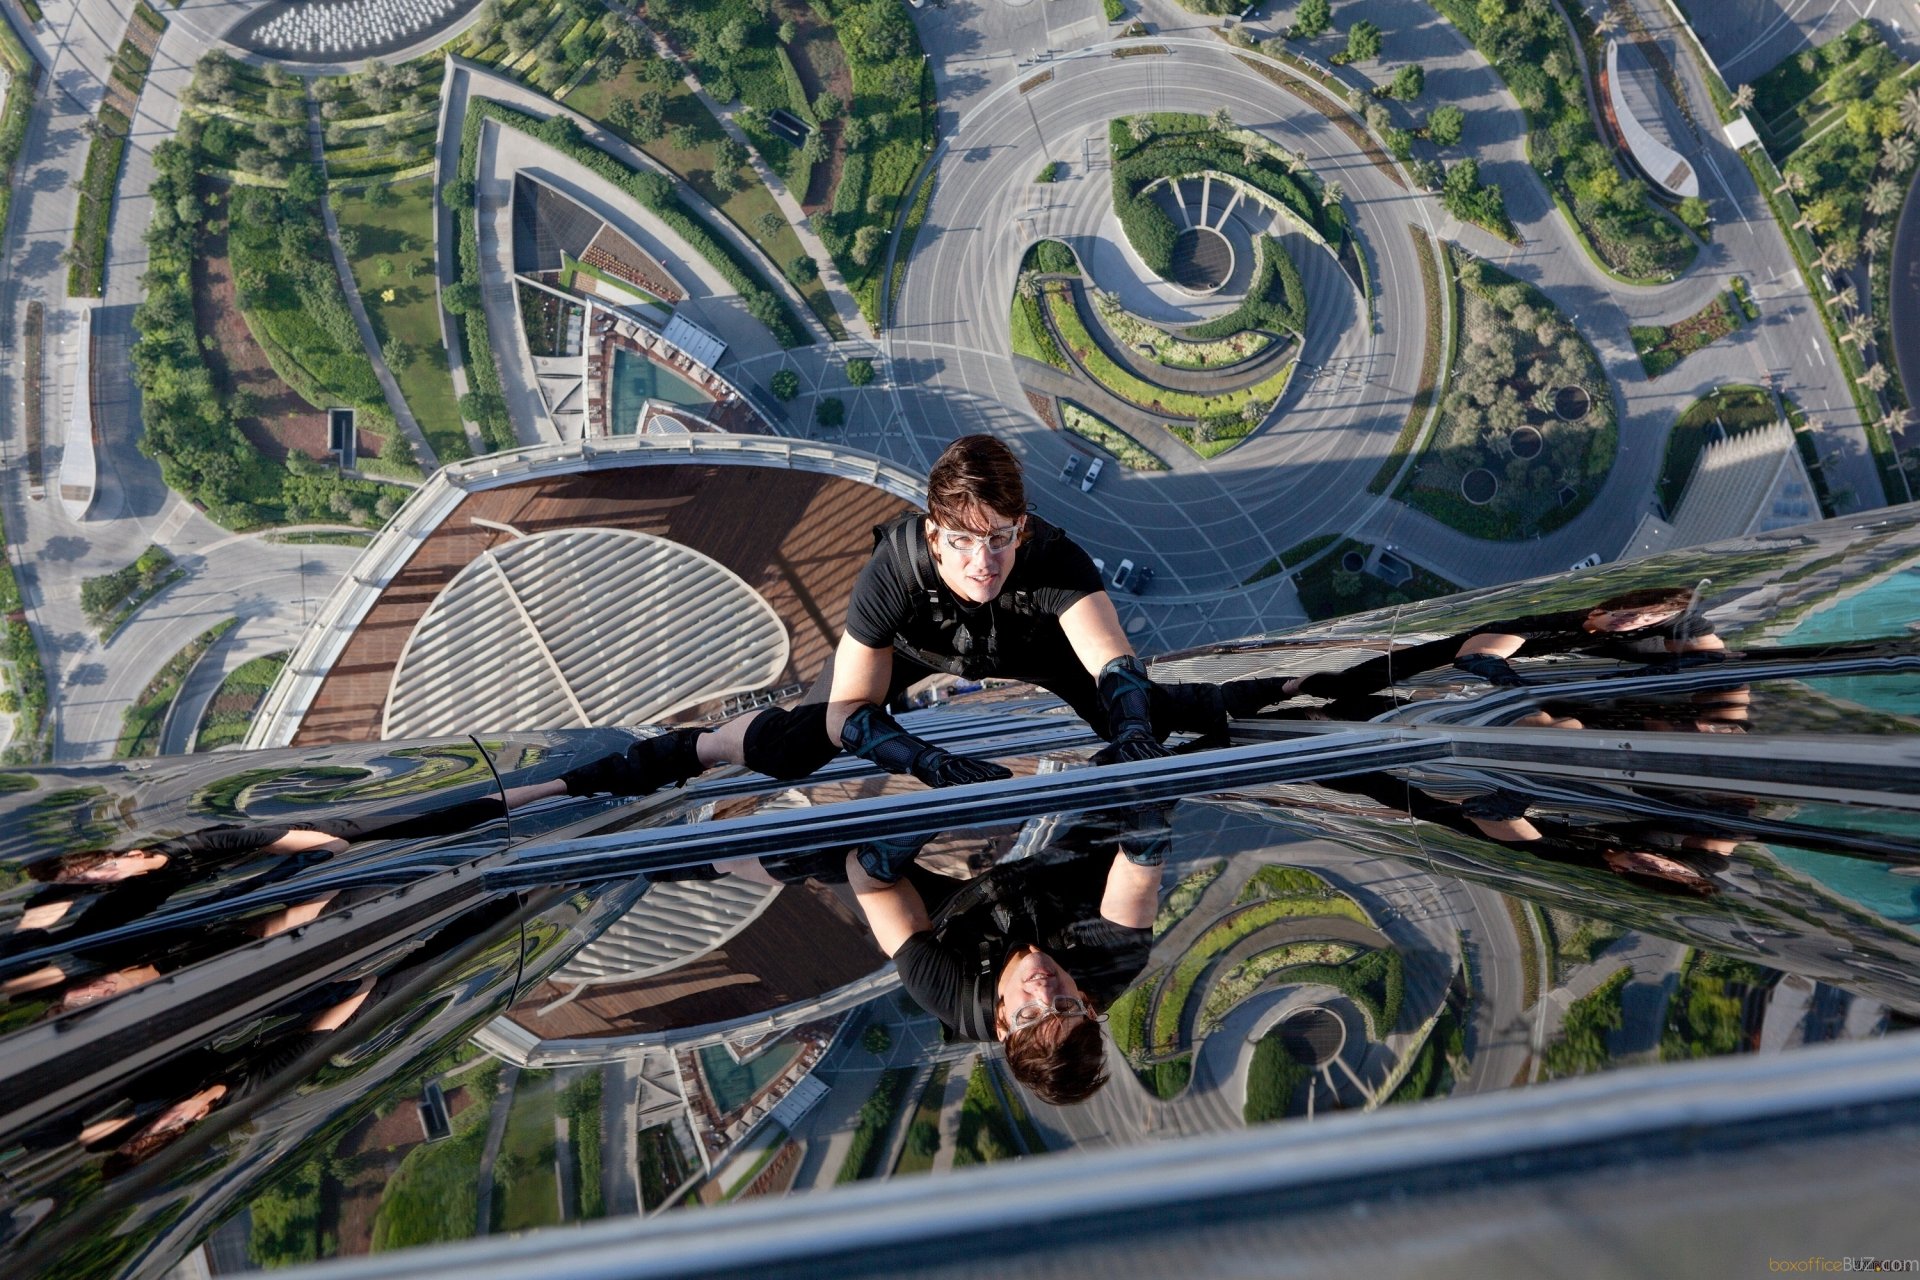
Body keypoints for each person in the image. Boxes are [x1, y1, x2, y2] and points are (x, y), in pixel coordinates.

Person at [559, 435, 1296, 799]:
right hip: (917, 647)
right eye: (966, 543)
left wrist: (1134, 723)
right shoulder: (896, 571)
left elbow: (1111, 659)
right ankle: (693, 747)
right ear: (934, 533)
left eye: (1002, 538)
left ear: (1022, 526)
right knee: (795, 747)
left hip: (1032, 647)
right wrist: (925, 761)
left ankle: (1298, 694)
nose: (986, 561)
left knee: (1145, 717)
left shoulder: (1051, 560)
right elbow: (850, 709)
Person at [841, 808, 1168, 1105]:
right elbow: (1138, 876)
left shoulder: (949, 993)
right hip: (1062, 885)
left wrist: (934, 814)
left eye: (1027, 1014)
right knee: (1130, 807)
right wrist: (1145, 824)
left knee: (833, 854)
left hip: (957, 915)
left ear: (1000, 1022)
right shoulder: (1108, 968)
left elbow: (865, 875)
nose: (1043, 991)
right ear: (1087, 1005)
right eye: (1065, 1005)